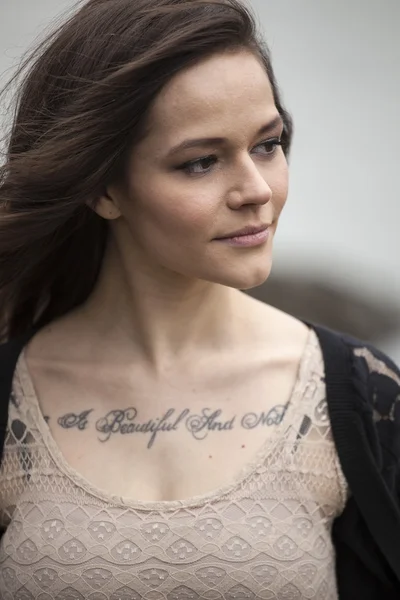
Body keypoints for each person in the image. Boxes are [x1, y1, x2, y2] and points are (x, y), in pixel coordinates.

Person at [0, 1, 399, 599]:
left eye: (268, 144)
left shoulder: (361, 398)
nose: (257, 190)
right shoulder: (10, 396)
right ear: (104, 190)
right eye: (201, 162)